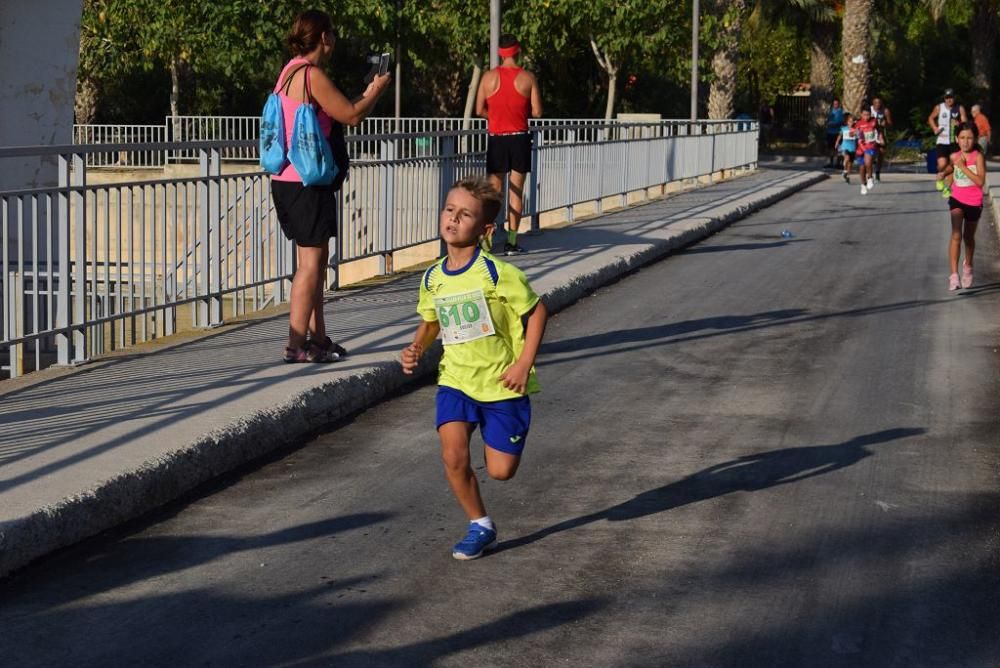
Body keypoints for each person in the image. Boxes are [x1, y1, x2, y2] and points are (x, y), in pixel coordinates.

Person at [400, 177, 548, 560]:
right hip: (457, 379)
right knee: (452, 455)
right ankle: (479, 524)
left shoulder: (497, 273)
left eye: (465, 215)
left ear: (484, 230)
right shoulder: (432, 277)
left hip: (502, 383)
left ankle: (499, 435)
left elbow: (536, 312)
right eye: (449, 210)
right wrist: (417, 346)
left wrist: (523, 364)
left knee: (500, 471)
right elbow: (432, 320)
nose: (453, 219)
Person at [270, 10, 391, 362]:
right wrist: (378, 90)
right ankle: (295, 345)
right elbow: (351, 115)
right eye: (333, 33)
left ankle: (318, 339)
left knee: (313, 262)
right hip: (307, 182)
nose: (335, 39)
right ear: (323, 37)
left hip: (288, 179)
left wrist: (364, 92)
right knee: (311, 264)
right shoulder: (312, 74)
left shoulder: (289, 70)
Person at [476, 34, 543, 256]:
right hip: (519, 138)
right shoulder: (527, 78)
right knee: (516, 192)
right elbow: (537, 112)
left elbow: (479, 110)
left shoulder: (488, 78)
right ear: (518, 50)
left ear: (499, 53)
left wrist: (495, 117)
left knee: (493, 193)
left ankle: (485, 243)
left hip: (497, 138)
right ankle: (512, 243)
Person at [941, 123, 987, 290]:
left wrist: (962, 167)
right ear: (956, 139)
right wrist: (944, 176)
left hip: (974, 201)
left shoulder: (978, 157)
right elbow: (952, 171)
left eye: (969, 138)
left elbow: (980, 181)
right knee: (956, 235)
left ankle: (968, 266)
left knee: (968, 238)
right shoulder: (955, 156)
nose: (965, 142)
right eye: (962, 138)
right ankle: (953, 275)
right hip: (957, 199)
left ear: (975, 139)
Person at [928, 89, 967, 196]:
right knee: (942, 164)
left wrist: (959, 123)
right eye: (947, 97)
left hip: (954, 141)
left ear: (954, 97)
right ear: (944, 98)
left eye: (951, 97)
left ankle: (948, 188)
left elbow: (965, 123)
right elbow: (931, 118)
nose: (949, 100)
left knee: (954, 165)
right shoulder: (939, 107)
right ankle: (940, 177)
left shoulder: (960, 108)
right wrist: (935, 128)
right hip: (942, 140)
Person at [855, 107, 881, 195]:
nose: (867, 117)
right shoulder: (858, 124)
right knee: (862, 167)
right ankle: (863, 184)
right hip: (860, 147)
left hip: (870, 145)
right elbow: (857, 136)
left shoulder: (874, 121)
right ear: (861, 115)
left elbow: (878, 129)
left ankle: (870, 177)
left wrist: (880, 138)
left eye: (868, 115)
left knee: (868, 162)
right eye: (865, 115)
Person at [870, 96, 893, 181]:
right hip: (871, 135)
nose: (877, 105)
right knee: (871, 154)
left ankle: (877, 172)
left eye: (879, 103)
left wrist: (886, 123)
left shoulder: (885, 111)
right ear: (872, 103)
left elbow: (890, 123)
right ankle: (869, 172)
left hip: (881, 135)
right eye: (875, 103)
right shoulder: (869, 110)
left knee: (881, 153)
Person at [834, 112, 857, 184]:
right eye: (849, 121)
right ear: (847, 122)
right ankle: (844, 171)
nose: (851, 122)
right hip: (844, 147)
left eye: (852, 121)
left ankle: (847, 176)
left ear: (854, 122)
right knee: (847, 158)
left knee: (850, 164)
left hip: (852, 148)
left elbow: (859, 138)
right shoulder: (843, 129)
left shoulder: (856, 129)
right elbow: (840, 136)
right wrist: (837, 143)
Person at [825, 99, 845, 167]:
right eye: (834, 104)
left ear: (839, 104)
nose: (835, 105)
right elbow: (826, 121)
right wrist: (828, 123)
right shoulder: (830, 112)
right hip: (830, 132)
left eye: (837, 104)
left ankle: (838, 163)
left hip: (837, 133)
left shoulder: (840, 112)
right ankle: (831, 163)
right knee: (830, 148)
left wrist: (833, 124)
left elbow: (841, 122)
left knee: (838, 148)